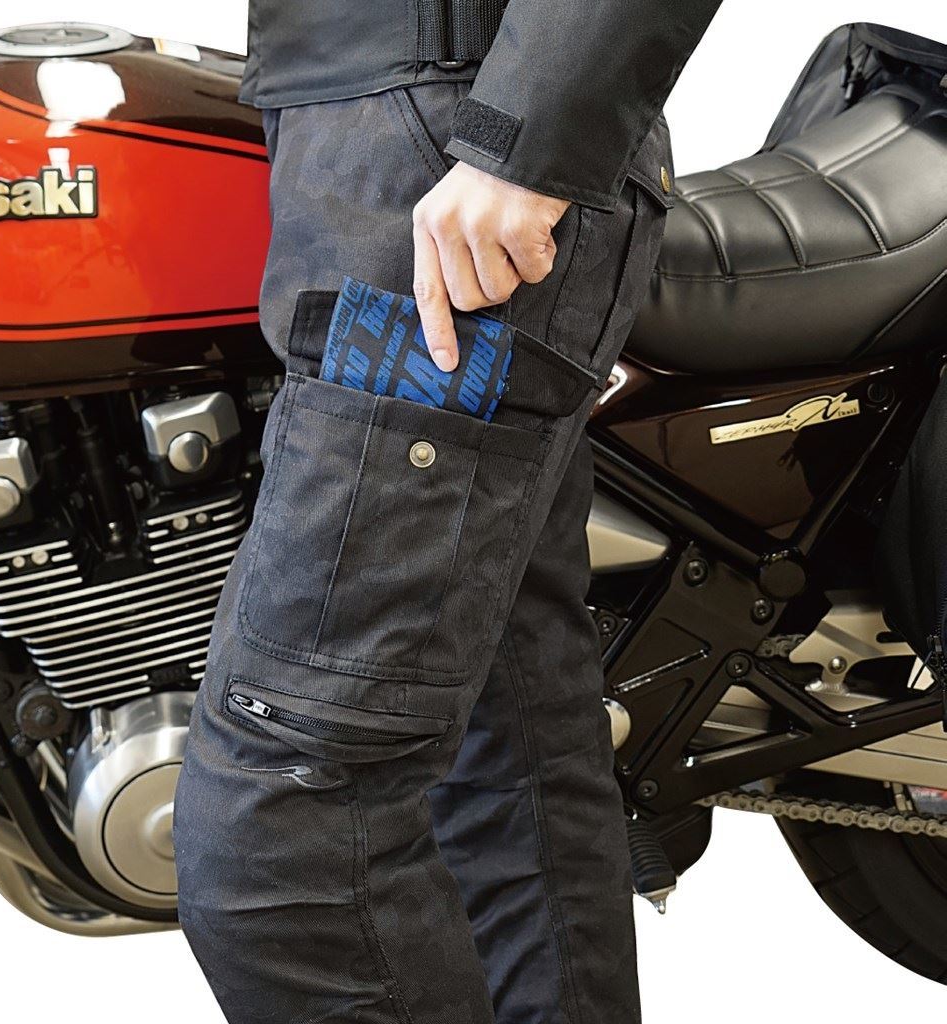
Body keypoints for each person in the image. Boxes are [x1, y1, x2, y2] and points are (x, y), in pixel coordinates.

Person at [174, 3, 723, 1022]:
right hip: (372, 138)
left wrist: (526, 141)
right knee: (506, 768)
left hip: (453, 158)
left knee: (286, 829)